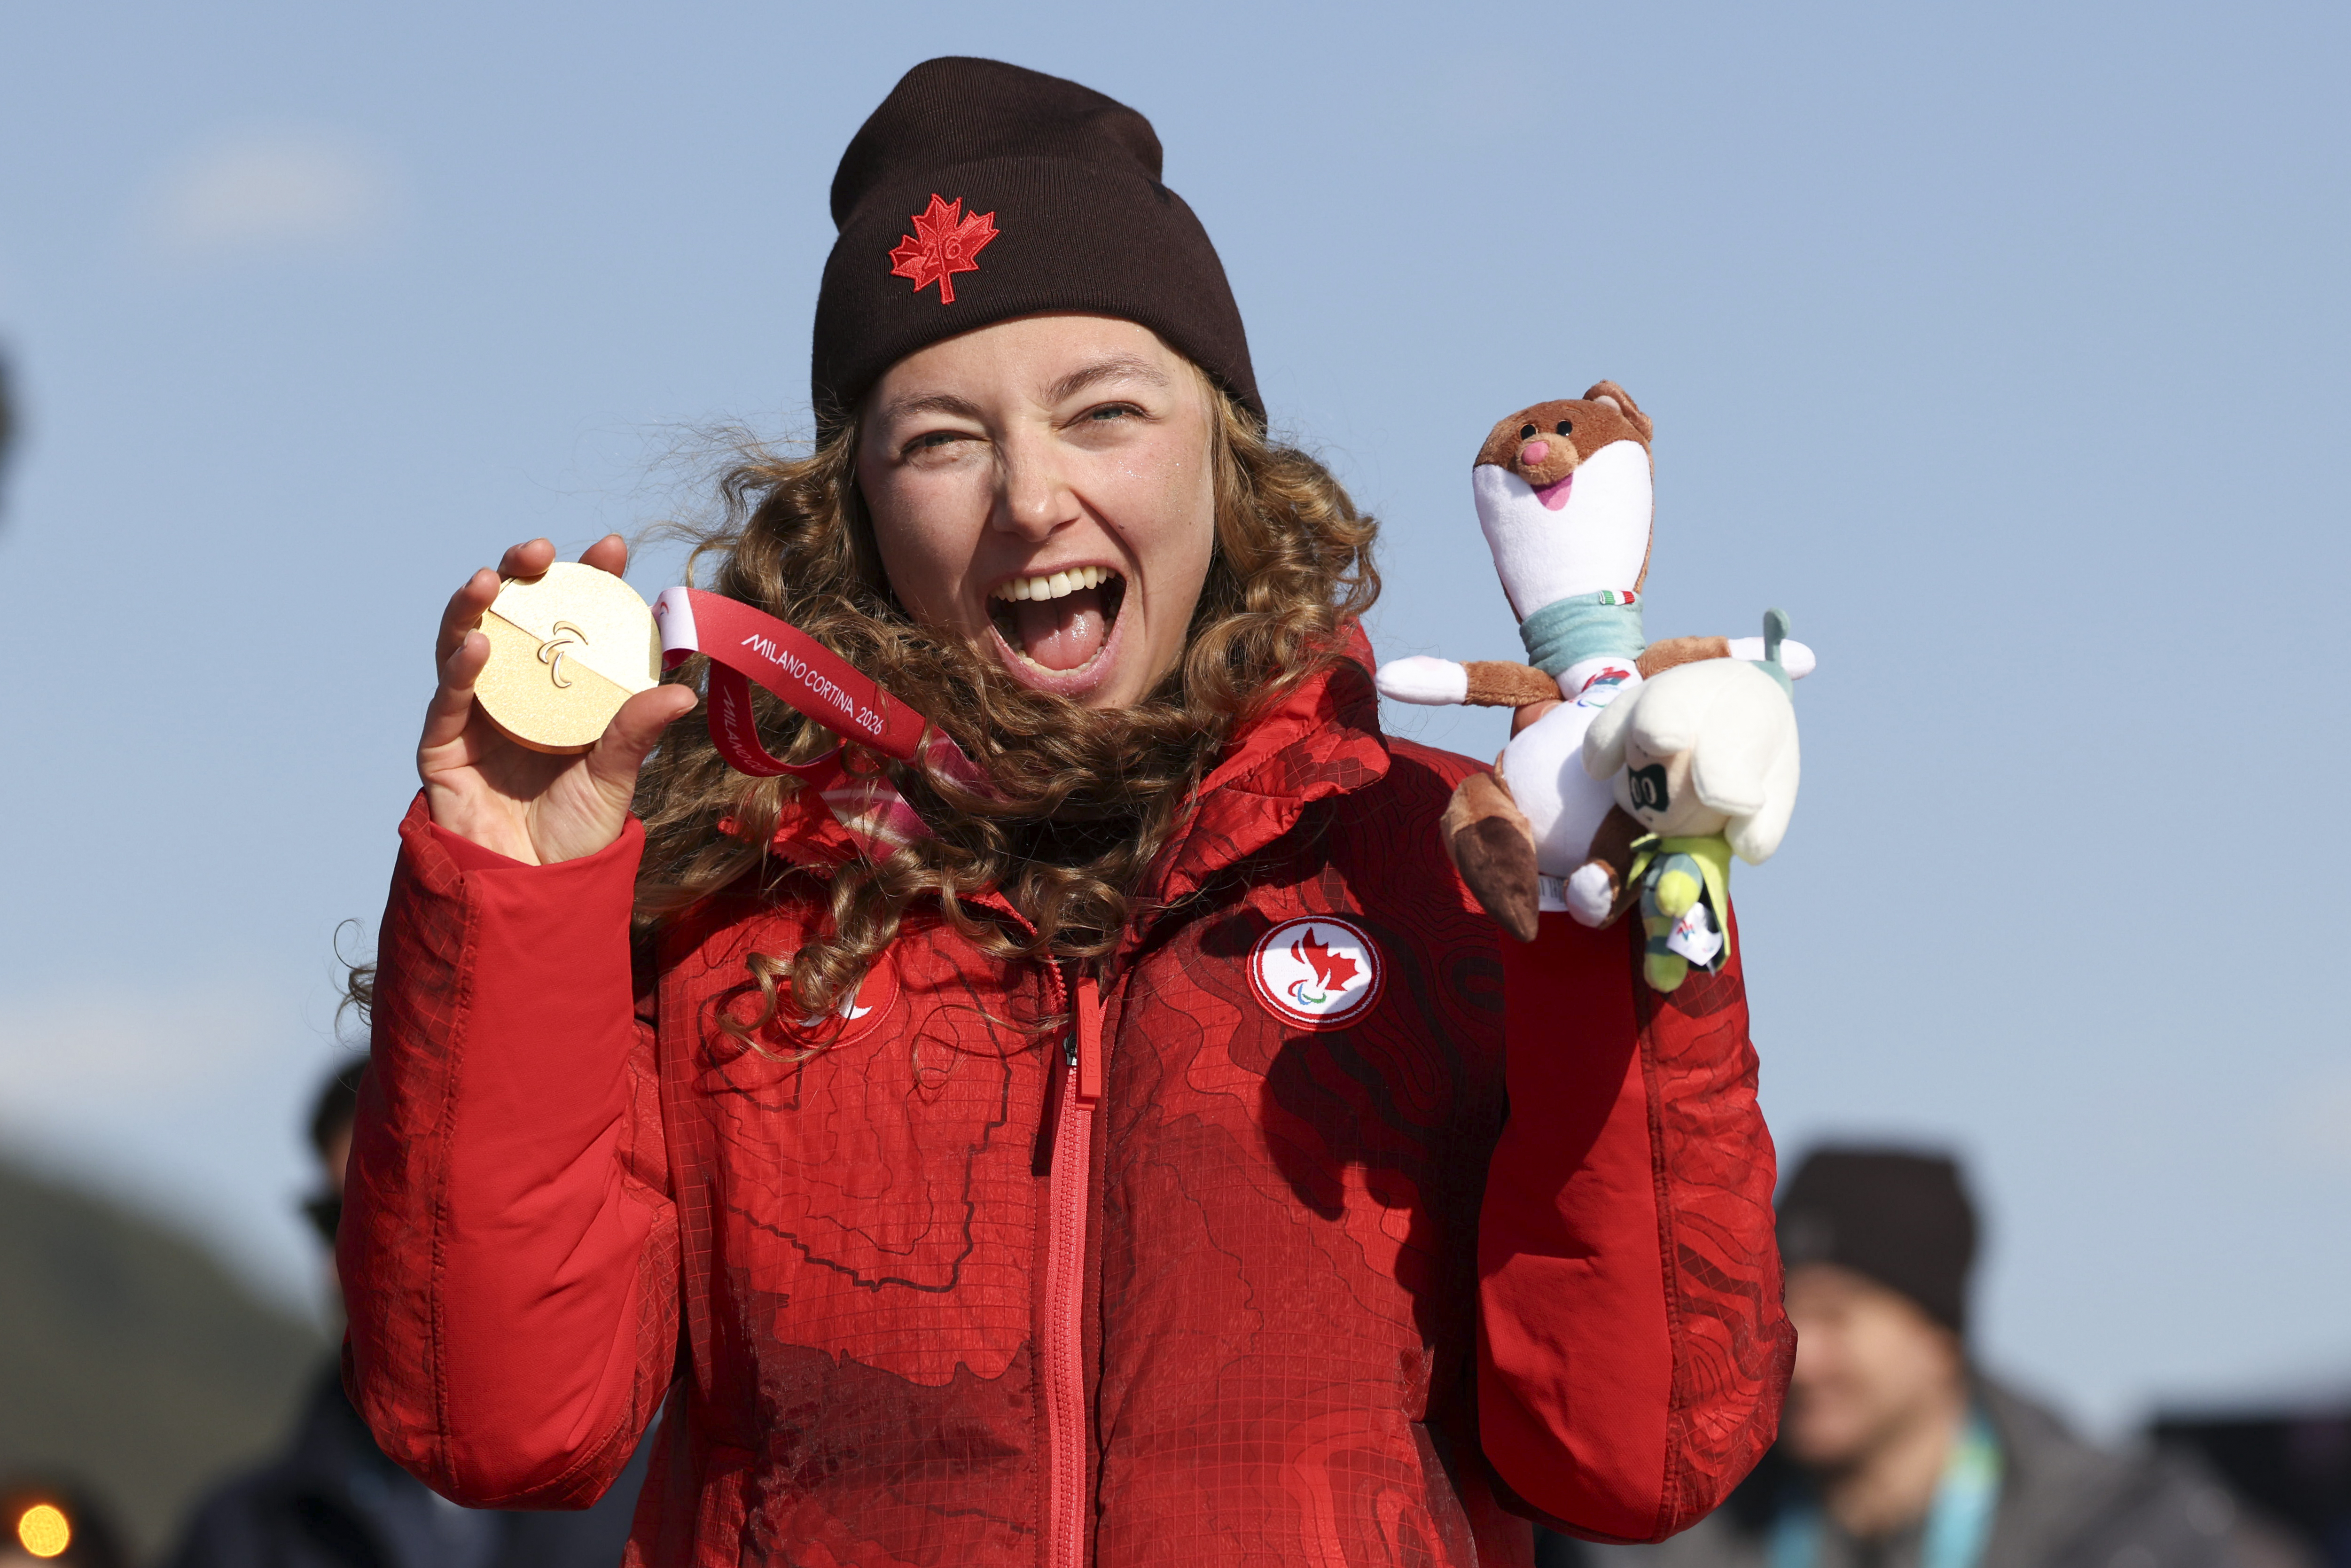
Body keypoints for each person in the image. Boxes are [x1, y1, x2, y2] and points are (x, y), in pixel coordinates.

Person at [340, 57, 1800, 1567]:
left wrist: (1609, 944)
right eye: (939, 439)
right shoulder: (731, 898)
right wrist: (513, 894)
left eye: (1103, 411)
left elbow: (1641, 1452)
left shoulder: (1442, 858)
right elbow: (498, 1426)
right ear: (855, 513)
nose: (1029, 495)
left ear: (1227, 462)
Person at [1554, 1148, 2313, 1568]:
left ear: (1936, 1340)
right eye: (1776, 1313)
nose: (1798, 1353)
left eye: (1836, 1315)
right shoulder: (1669, 1529)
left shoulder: (2138, 1534)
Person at [163, 1061, 652, 1568]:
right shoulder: (236, 1539)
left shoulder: (673, 1508)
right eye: (336, 1221)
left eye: (396, 1215)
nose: (352, 1265)